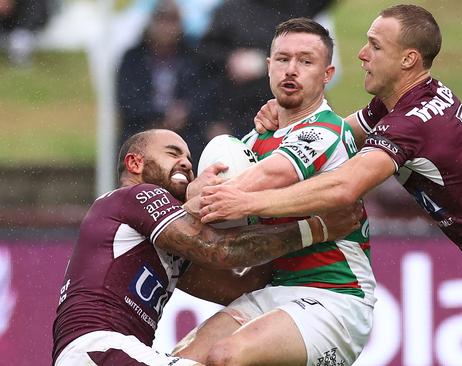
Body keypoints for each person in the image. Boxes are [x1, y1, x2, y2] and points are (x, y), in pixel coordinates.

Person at [200, 5, 462, 366]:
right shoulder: (399, 105)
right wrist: (289, 120)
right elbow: (332, 136)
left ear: (408, 59)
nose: (362, 54)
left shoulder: (411, 123)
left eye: (375, 46)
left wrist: (246, 199)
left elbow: (344, 186)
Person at [51, 128, 361, 365]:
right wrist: (315, 228)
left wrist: (278, 210)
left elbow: (240, 286)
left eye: (188, 158)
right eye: (173, 154)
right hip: (99, 349)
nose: (186, 163)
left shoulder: (167, 244)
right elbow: (221, 250)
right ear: (135, 162)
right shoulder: (133, 196)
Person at [173, 18, 374, 366]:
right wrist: (195, 196)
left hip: (334, 296)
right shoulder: (253, 142)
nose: (291, 70)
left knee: (227, 357)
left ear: (327, 74)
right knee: (182, 360)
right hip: (272, 294)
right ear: (268, 67)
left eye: (306, 61)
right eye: (282, 59)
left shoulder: (327, 129)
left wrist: (192, 200)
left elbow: (272, 174)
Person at [195, 0, 335, 138]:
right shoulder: (231, 10)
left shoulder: (298, 6)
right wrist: (230, 59)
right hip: (239, 110)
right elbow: (204, 53)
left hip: (296, 109)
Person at [116, 0, 213, 162]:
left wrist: (185, 112)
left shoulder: (193, 57)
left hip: (187, 131)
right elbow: (126, 100)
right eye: (161, 20)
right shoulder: (133, 58)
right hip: (142, 128)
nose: (166, 28)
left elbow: (205, 95)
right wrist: (160, 115)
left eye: (172, 21)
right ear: (150, 23)